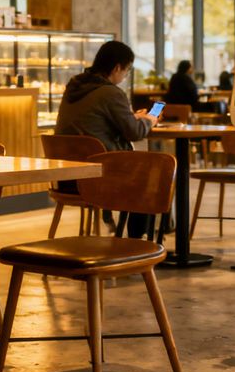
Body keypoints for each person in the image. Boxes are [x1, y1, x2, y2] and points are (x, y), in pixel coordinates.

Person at [56, 40, 160, 237]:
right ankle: (137, 244)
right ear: (117, 67)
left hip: (66, 177)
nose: (125, 76)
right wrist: (150, 120)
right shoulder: (111, 92)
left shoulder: (74, 86)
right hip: (98, 177)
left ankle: (128, 237)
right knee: (151, 177)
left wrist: (133, 118)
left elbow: (95, 121)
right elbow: (135, 132)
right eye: (127, 71)